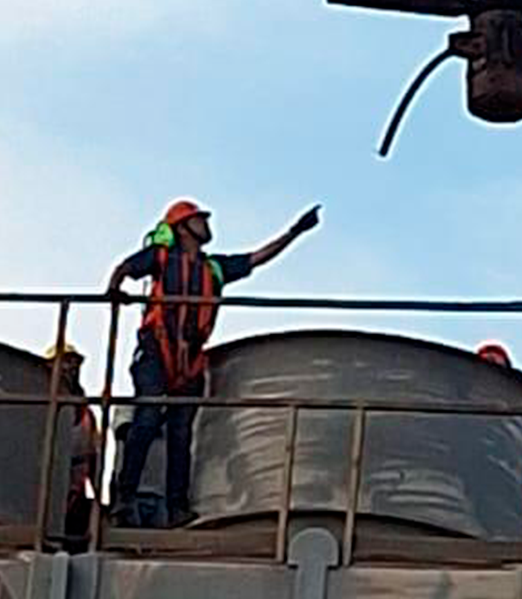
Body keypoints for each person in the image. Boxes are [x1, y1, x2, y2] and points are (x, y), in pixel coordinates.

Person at [107, 198, 321, 527]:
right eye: (199, 219)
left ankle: (178, 507)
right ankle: (125, 498)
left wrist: (294, 232)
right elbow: (124, 268)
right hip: (156, 352)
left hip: (190, 360)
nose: (206, 224)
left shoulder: (214, 269)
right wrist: (113, 290)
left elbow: (256, 258)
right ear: (182, 227)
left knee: (181, 435)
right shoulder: (162, 258)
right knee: (147, 419)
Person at [42, 343, 99, 545]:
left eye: (74, 362)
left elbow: (93, 455)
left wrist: (99, 496)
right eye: (65, 362)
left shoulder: (86, 414)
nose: (71, 368)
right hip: (44, 496)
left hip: (74, 497)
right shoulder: (40, 406)